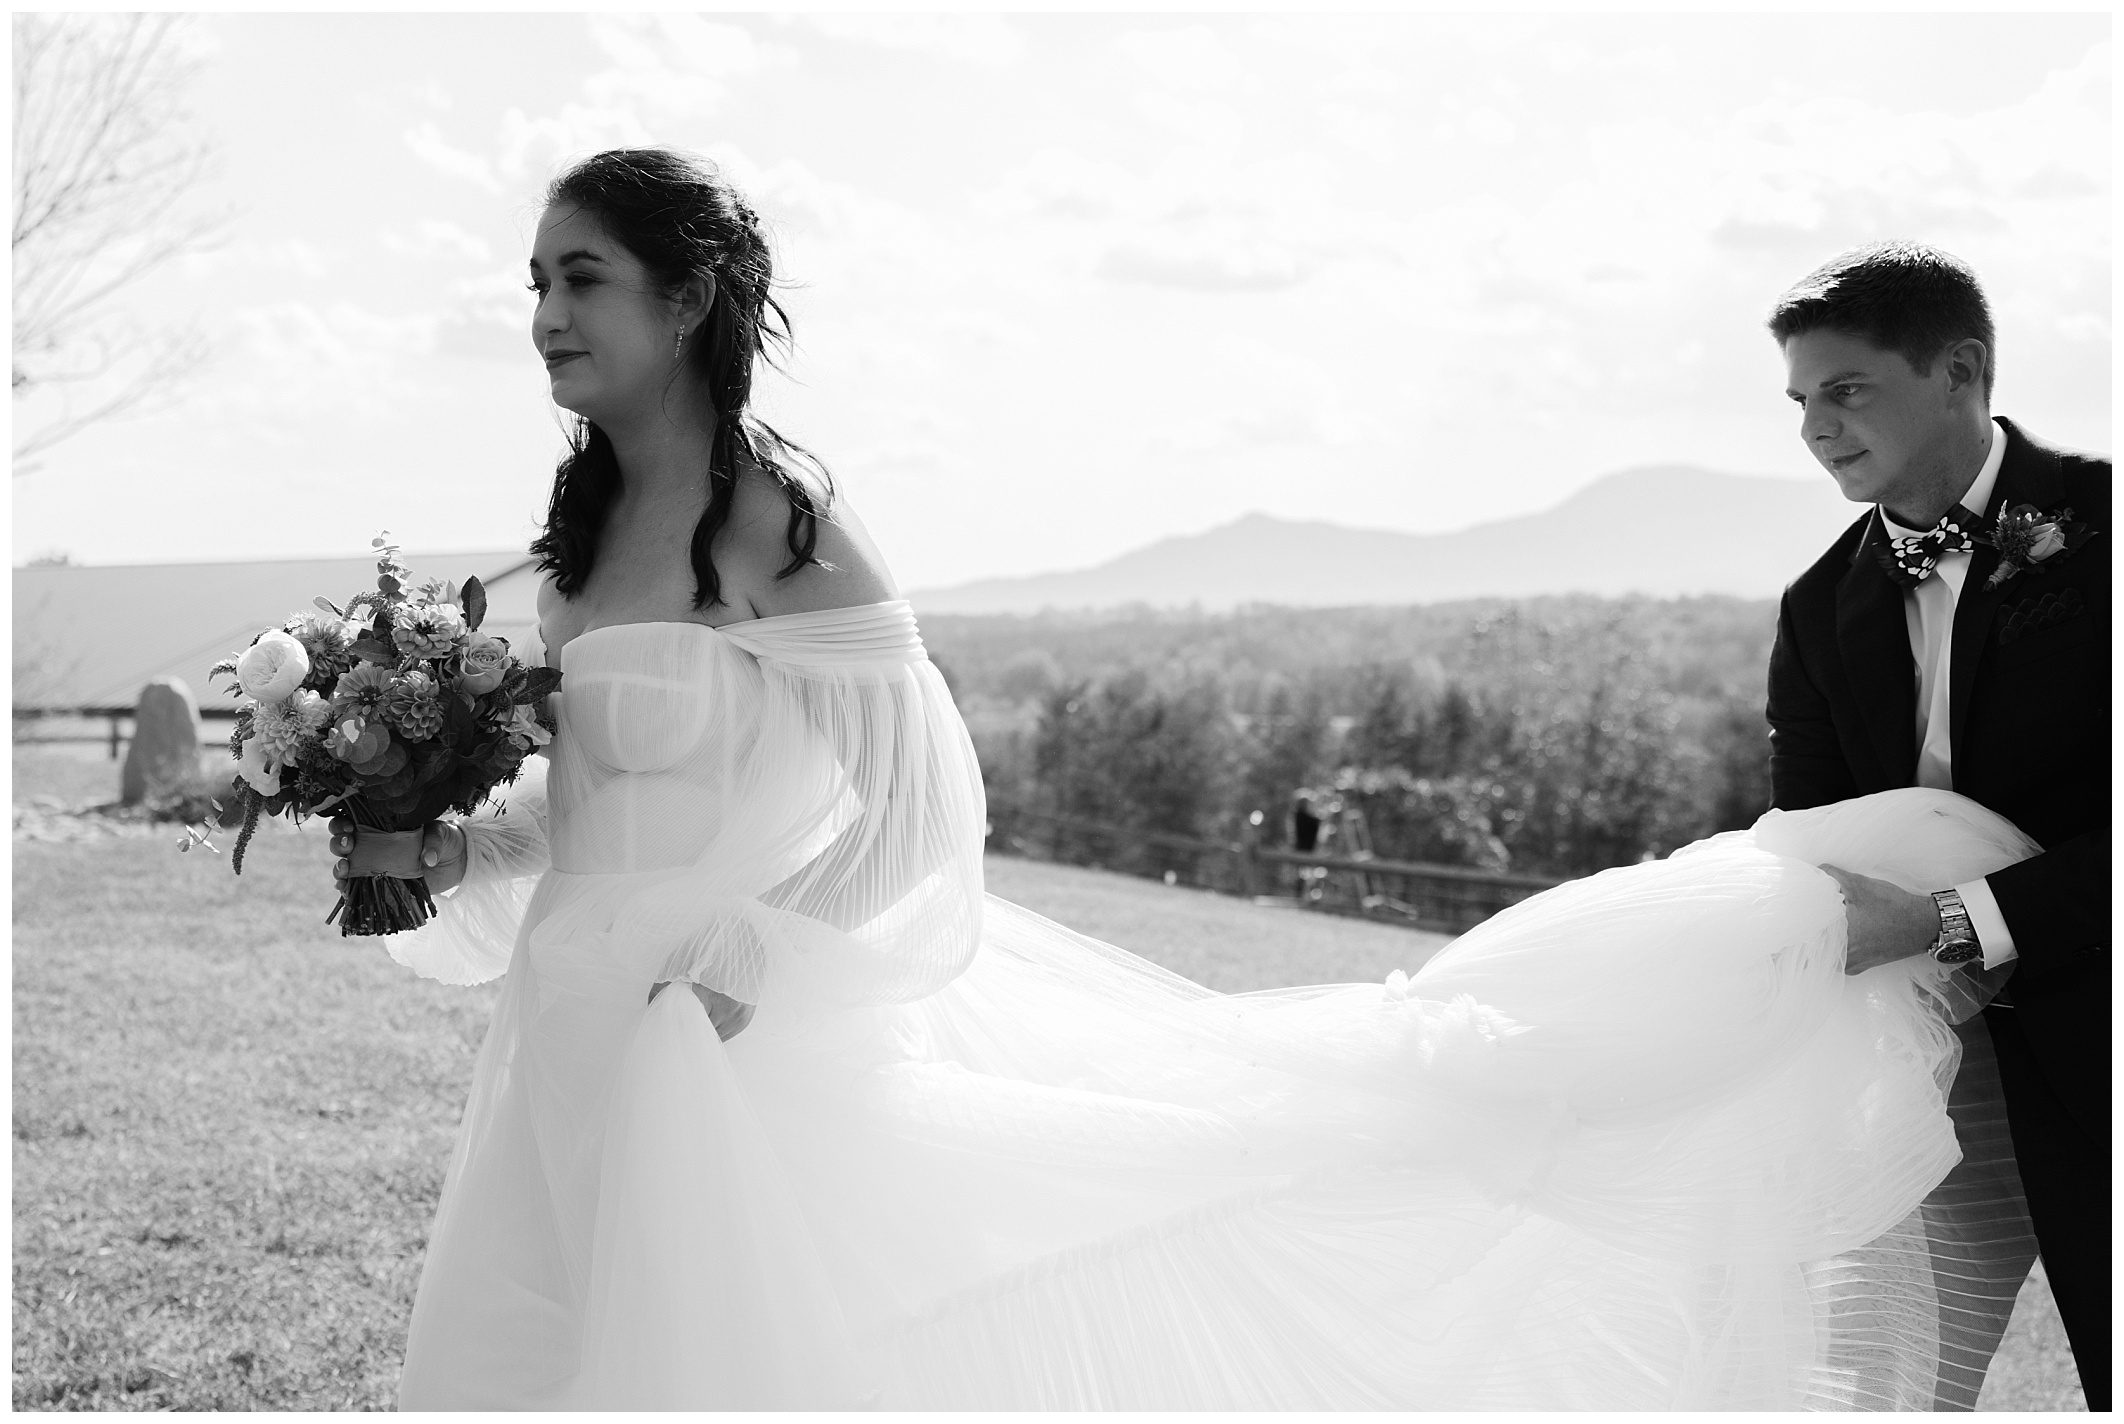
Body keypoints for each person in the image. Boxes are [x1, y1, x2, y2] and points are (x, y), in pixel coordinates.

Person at [333, 154, 2042, 1409]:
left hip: (719, 1036)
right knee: (537, 1346)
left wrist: (744, 971)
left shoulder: (779, 523)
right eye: (536, 283)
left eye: (578, 279)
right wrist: (433, 830)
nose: (543, 314)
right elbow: (595, 804)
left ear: (685, 299)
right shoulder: (567, 541)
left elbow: (921, 810)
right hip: (565, 1022)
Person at [1764, 240, 2109, 1408]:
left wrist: (1955, 917)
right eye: (1802, 399)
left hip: (2105, 1027)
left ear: (1959, 370)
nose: (1816, 426)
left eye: (1847, 387)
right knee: (1879, 1379)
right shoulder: (1817, 610)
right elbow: (1806, 834)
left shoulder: (2109, 531)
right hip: (1926, 1064)